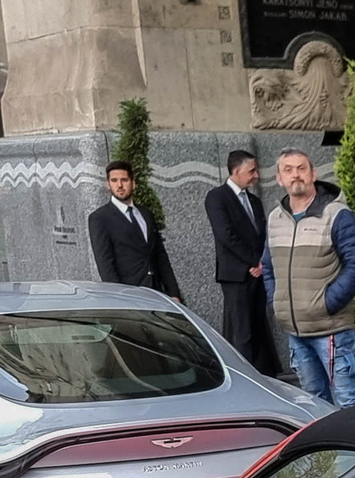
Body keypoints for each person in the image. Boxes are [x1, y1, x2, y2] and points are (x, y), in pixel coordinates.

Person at [262, 147, 355, 406]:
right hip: (296, 332)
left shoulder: (336, 214)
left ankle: (352, 448)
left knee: (348, 403)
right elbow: (268, 267)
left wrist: (325, 303)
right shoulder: (275, 218)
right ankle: (324, 449)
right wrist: (277, 303)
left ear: (314, 174)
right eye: (288, 170)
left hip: (331, 331)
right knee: (313, 405)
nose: (295, 175)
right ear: (279, 179)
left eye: (301, 168)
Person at [203, 149, 276, 374]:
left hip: (259, 272)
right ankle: (245, 377)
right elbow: (226, 235)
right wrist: (253, 262)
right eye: (251, 171)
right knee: (242, 330)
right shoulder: (217, 197)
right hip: (236, 274)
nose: (256, 176)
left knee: (259, 327)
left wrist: (263, 262)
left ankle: (264, 373)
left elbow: (264, 234)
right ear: (236, 171)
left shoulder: (254, 201)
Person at [86, 160, 180, 298]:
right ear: (108, 185)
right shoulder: (100, 218)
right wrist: (121, 299)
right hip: (129, 295)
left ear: (133, 183)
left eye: (124, 180)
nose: (119, 185)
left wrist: (174, 293)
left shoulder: (146, 214)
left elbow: (160, 256)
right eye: (114, 180)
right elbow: (105, 264)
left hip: (157, 292)